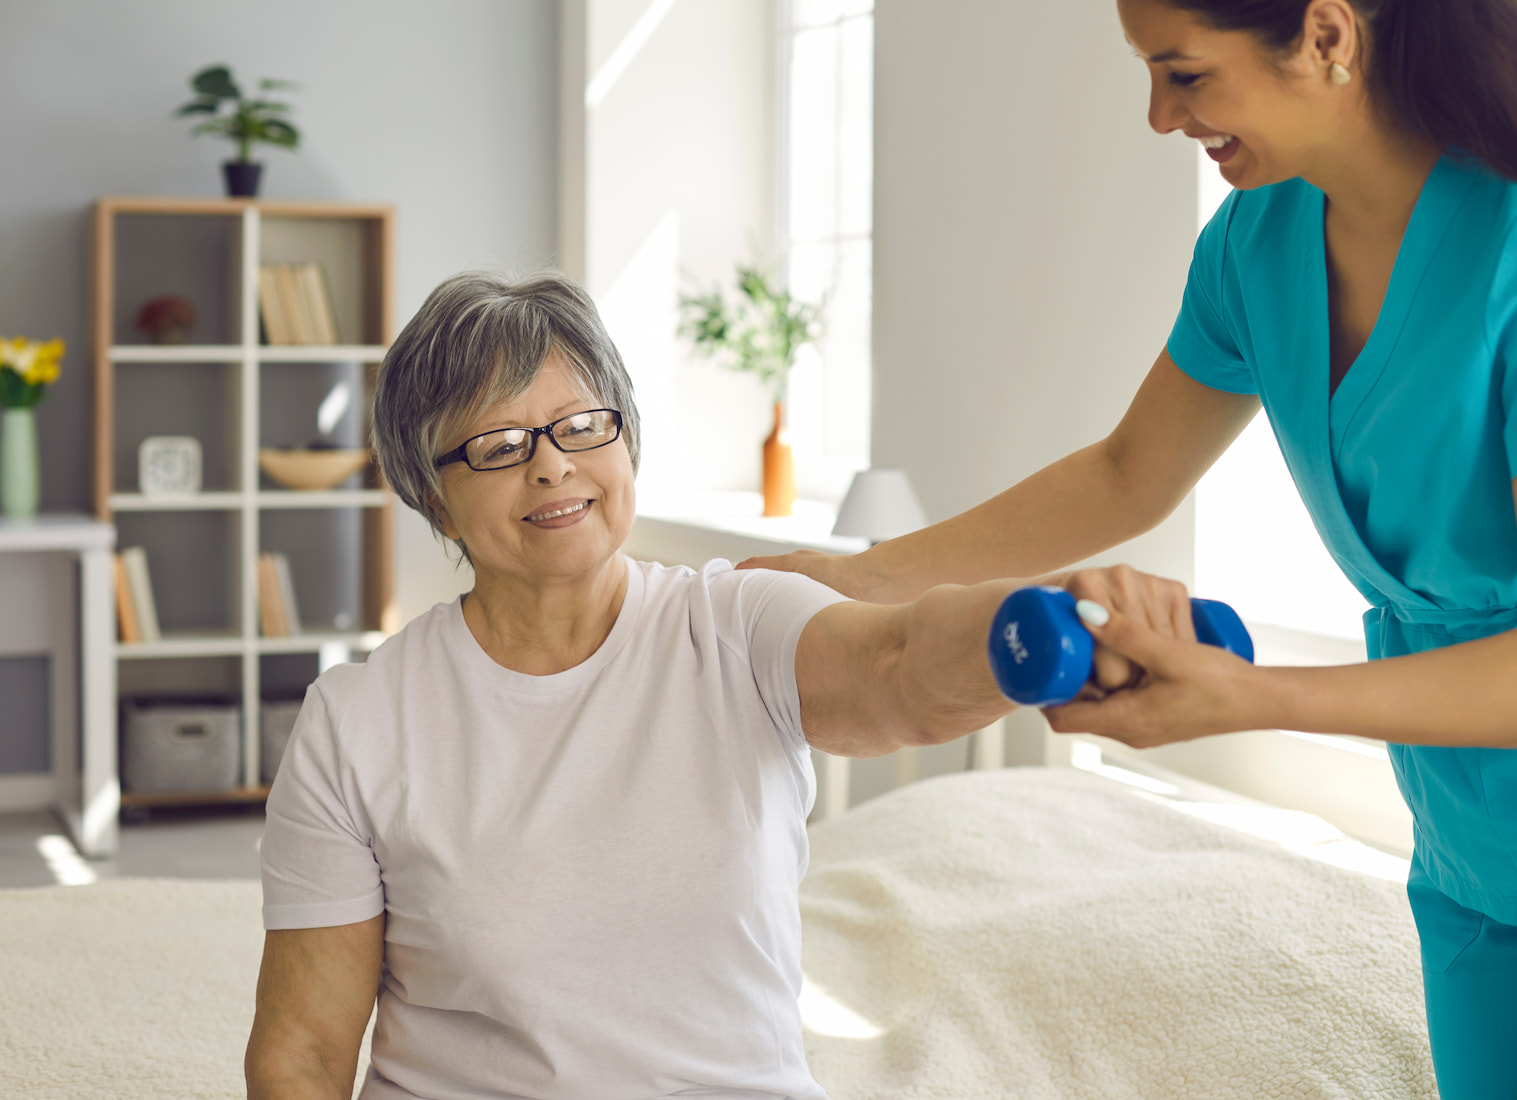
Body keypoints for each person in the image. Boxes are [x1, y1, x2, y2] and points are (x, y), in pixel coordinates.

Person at [743, 1, 1517, 1096]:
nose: (1158, 115)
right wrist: (855, 575)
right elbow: (1126, 474)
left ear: (1328, 35)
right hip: (1473, 829)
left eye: (1184, 74)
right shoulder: (1259, 244)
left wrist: (1246, 695)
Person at [243, 270, 1080, 1100]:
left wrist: (1040, 631)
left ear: (624, 438)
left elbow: (892, 663)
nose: (551, 468)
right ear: (433, 493)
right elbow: (303, 1057)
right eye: (500, 446)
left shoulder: (739, 625)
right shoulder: (358, 722)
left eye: (581, 426)